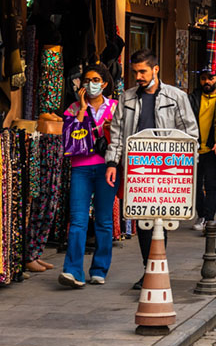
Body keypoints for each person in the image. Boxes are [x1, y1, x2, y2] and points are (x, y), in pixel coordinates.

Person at [105, 49, 198, 290]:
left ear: (155, 69)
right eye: (135, 72)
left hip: (168, 168)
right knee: (142, 220)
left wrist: (189, 166)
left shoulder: (176, 97)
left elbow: (190, 133)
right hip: (137, 169)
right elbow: (116, 134)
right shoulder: (125, 98)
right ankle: (150, 268)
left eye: (143, 71)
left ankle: (155, 269)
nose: (139, 76)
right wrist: (113, 163)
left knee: (160, 218)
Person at [58, 64, 119, 288]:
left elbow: (122, 138)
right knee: (78, 220)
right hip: (81, 168)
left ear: (104, 83)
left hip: (106, 167)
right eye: (87, 80)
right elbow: (71, 140)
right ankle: (72, 270)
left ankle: (99, 269)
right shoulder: (72, 109)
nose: (90, 84)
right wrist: (82, 110)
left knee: (103, 220)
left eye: (95, 80)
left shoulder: (116, 107)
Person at [189, 68, 216, 232]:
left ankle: (209, 219)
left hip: (213, 149)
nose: (207, 82)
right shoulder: (193, 98)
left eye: (210, 78)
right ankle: (202, 214)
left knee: (210, 185)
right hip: (194, 149)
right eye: (203, 78)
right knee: (194, 186)